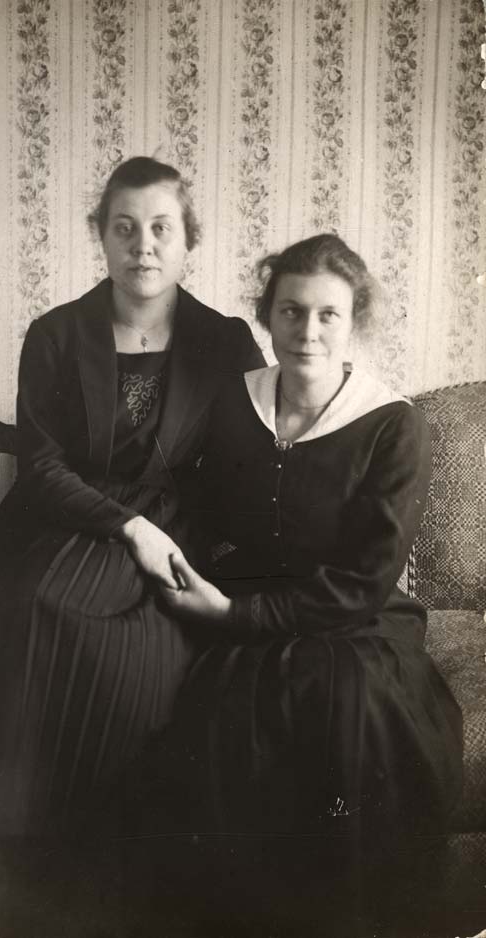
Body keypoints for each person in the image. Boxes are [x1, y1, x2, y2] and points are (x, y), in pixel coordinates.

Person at [0, 155, 265, 843]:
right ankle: (7, 845)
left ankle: (105, 855)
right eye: (124, 227)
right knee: (40, 610)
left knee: (146, 653)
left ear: (188, 239)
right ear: (101, 235)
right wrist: (129, 527)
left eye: (161, 228)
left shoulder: (224, 341)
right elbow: (43, 466)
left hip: (178, 527)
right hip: (66, 517)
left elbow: (256, 455)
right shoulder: (56, 333)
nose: (143, 246)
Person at [144, 233, 463, 933]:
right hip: (241, 596)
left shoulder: (393, 425)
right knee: (218, 714)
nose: (307, 332)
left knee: (341, 704)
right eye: (291, 311)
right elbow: (194, 505)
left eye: (327, 315)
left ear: (353, 323)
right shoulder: (233, 402)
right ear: (268, 314)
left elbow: (367, 579)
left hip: (355, 618)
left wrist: (232, 614)